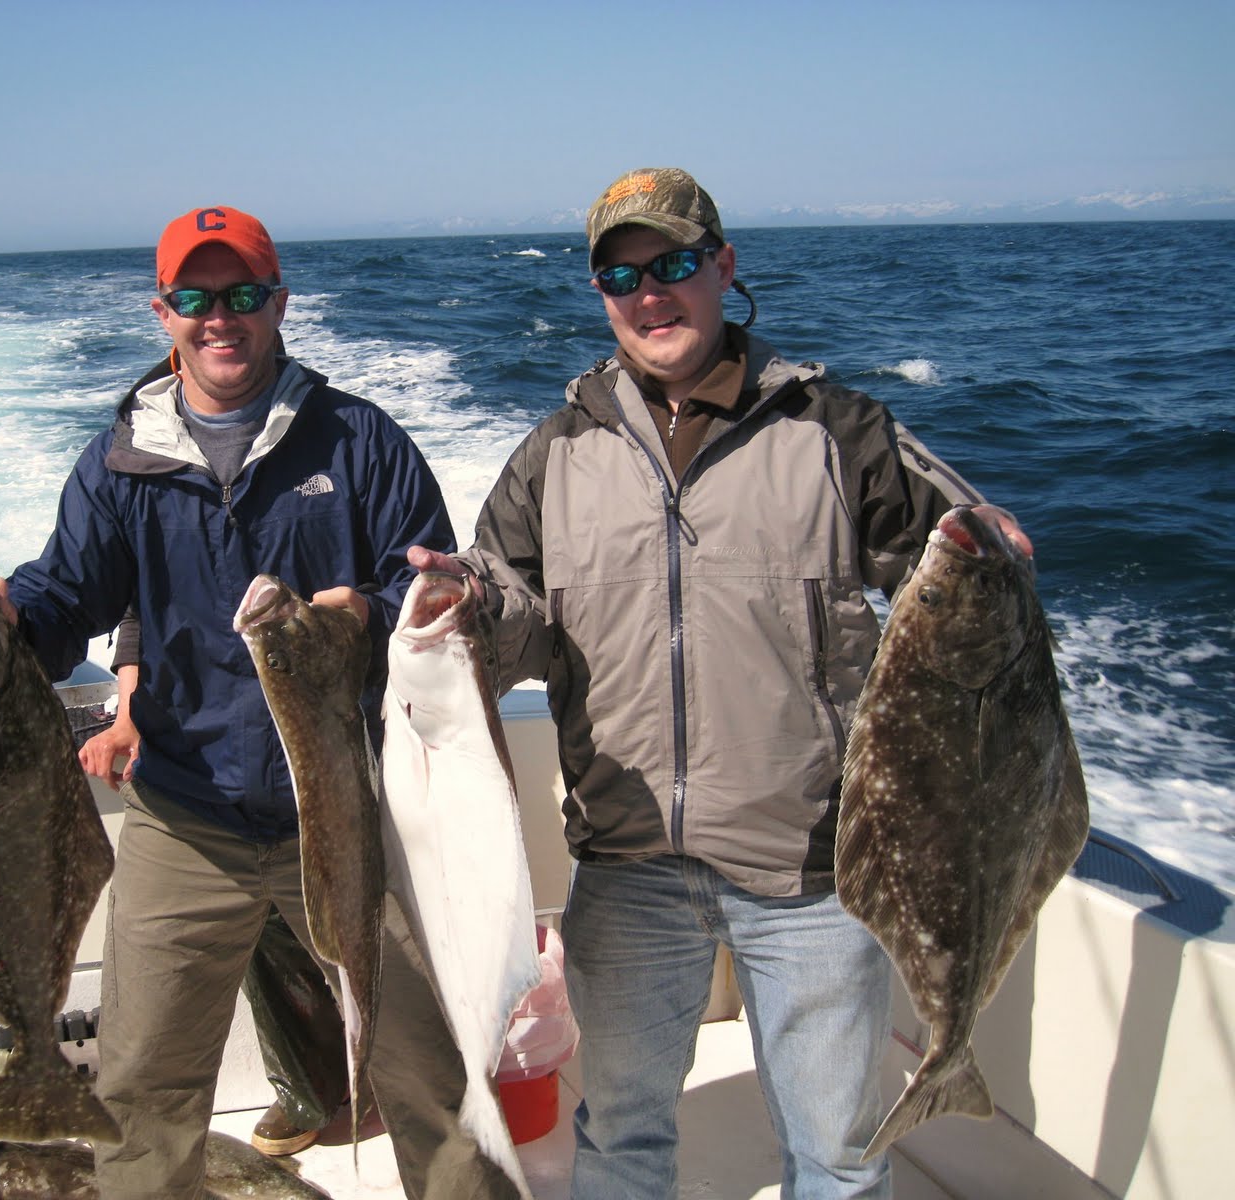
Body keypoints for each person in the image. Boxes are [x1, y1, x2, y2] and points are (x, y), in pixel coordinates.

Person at [411, 167, 1024, 1199]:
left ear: (724, 268)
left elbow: (956, 556)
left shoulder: (835, 429)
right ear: (599, 293)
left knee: (835, 1157)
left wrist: (987, 539)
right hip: (626, 861)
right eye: (621, 273)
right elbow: (510, 612)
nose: (651, 293)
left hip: (815, 872)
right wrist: (460, 604)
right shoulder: (553, 454)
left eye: (676, 265)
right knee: (620, 1142)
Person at [0, 205, 520, 1199]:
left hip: (356, 814)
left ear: (278, 303)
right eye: (195, 298)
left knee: (433, 1082)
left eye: (242, 294)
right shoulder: (121, 462)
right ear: (163, 314)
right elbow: (64, 595)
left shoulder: (360, 441)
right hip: (184, 813)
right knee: (139, 1094)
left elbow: (426, 591)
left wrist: (364, 616)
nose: (219, 317)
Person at [78, 630, 350, 1158]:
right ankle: (310, 1086)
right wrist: (129, 718)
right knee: (256, 927)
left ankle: (398, 1075)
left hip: (328, 742)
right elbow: (139, 617)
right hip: (210, 766)